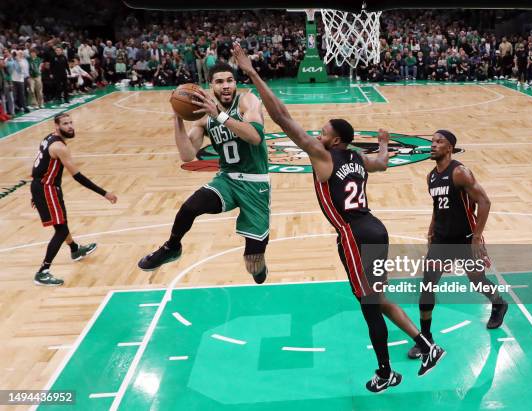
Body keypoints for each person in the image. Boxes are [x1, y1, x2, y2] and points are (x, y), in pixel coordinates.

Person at [233, 43, 445, 393]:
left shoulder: (325, 156)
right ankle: (427, 345)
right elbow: (383, 162)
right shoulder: (358, 158)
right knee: (378, 297)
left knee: (368, 305)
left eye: (323, 132)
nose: (317, 135)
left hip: (353, 234)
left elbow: (282, 117)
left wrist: (252, 72)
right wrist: (382, 142)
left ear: (335, 140)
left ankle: (385, 371)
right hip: (375, 228)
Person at [137, 62, 271, 285]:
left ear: (235, 83)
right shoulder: (203, 116)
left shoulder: (247, 101)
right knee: (190, 207)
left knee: (254, 267)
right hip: (227, 180)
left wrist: (219, 115)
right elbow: (188, 155)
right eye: (219, 82)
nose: (226, 86)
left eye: (229, 80)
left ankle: (258, 261)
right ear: (211, 86)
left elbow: (255, 137)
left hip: (255, 183)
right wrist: (177, 117)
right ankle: (171, 247)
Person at [407, 130, 508, 359]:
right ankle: (426, 339)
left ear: (449, 148)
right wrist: (432, 229)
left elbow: (484, 201)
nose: (433, 145)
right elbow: (438, 206)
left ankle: (499, 303)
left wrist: (476, 237)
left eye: (439, 142)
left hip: (465, 239)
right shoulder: (431, 176)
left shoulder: (460, 172)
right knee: (427, 286)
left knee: (477, 280)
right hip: (442, 240)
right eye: (432, 141)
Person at [31, 114, 118, 286]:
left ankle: (75, 250)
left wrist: (34, 193)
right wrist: (104, 193)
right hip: (47, 189)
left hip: (44, 187)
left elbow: (38, 166)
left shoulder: (48, 138)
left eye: (71, 123)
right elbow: (77, 177)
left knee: (61, 224)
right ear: (57, 127)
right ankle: (43, 271)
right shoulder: (59, 147)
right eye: (65, 124)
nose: (70, 126)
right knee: (61, 230)